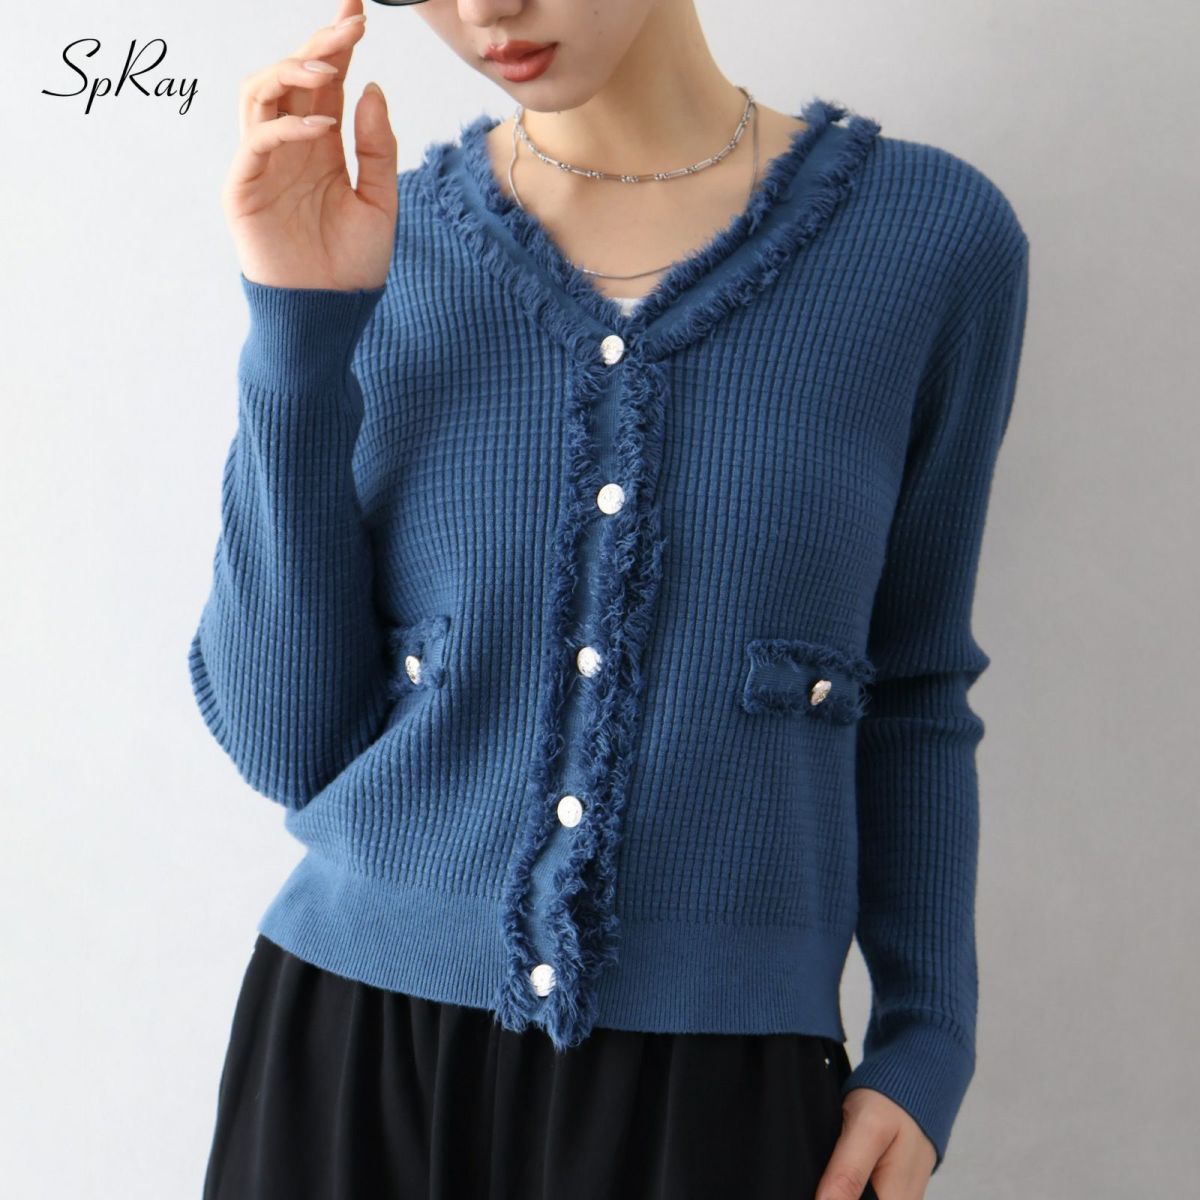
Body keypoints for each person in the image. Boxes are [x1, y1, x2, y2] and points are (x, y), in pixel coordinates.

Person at [191, 0, 1030, 1197]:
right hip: (352, 1065)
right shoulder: (380, 241)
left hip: (718, 1082)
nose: (485, 9)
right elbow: (289, 743)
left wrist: (928, 1037)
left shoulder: (932, 242)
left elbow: (912, 681)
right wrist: (297, 325)